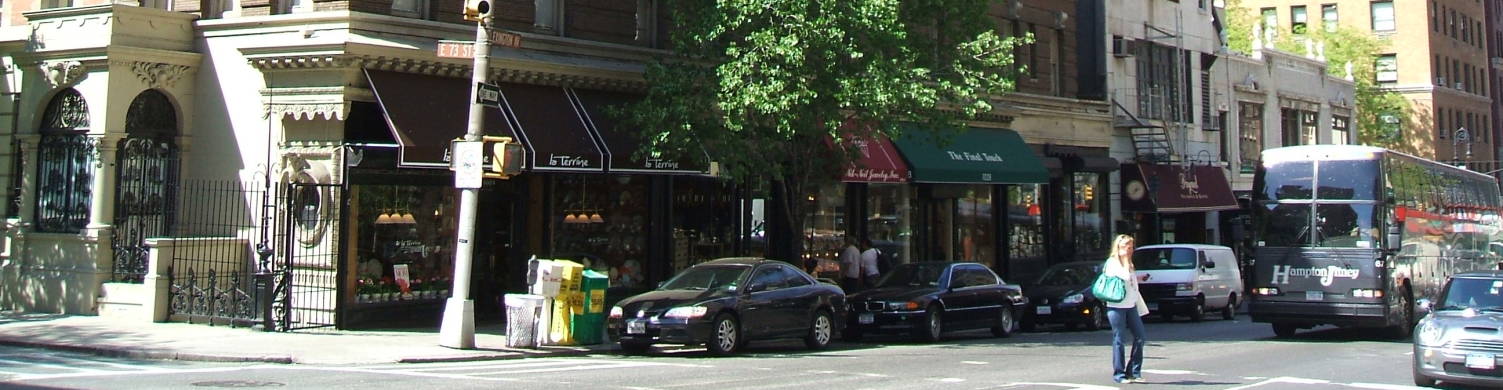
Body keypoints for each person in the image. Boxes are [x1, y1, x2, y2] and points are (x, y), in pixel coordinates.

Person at [1103, 234, 1149, 384]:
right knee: (1119, 339)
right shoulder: (1112, 262)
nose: (1129, 250)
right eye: (1125, 246)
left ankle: (1134, 371)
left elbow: (1132, 282)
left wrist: (1139, 277)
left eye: (1130, 247)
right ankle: (1119, 374)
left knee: (1140, 336)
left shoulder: (1128, 262)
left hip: (1131, 305)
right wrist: (1123, 259)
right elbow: (1123, 276)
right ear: (1118, 247)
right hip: (1116, 306)